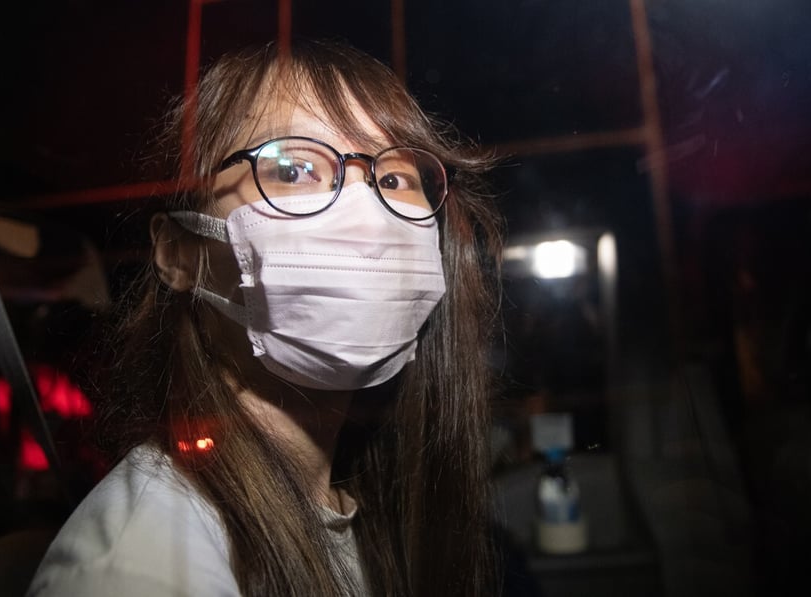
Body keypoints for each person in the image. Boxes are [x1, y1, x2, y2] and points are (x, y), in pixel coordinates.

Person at [28, 39, 504, 596]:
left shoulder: (367, 518)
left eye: (394, 179)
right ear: (179, 254)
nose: (367, 215)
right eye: (294, 168)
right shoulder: (142, 564)